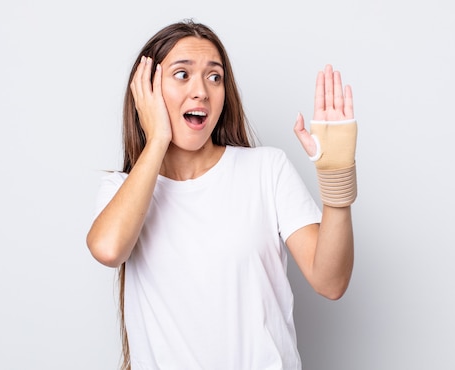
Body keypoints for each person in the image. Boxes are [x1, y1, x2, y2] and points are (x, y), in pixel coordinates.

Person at [87, 20, 358, 370]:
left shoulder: (266, 169)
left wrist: (336, 176)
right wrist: (156, 139)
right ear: (147, 91)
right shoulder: (121, 191)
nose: (201, 91)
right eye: (182, 74)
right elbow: (108, 249)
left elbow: (331, 281)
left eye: (214, 77)